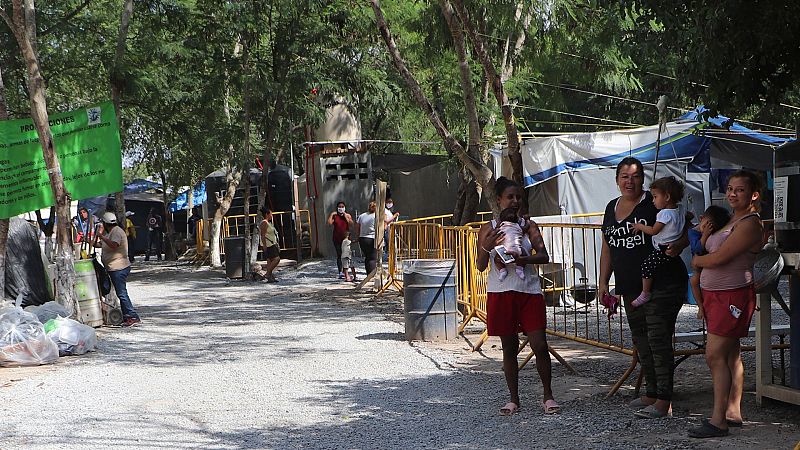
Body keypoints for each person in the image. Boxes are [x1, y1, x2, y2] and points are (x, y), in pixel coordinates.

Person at [599, 157, 688, 419]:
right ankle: (651, 392)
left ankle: (664, 401)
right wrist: (604, 281)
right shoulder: (610, 207)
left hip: (662, 282)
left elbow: (685, 226)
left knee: (659, 340)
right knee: (642, 341)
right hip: (629, 286)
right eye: (625, 176)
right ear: (617, 180)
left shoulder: (656, 201)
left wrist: (681, 244)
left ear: (643, 179)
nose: (630, 181)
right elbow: (608, 246)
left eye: (635, 176)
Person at [687, 170, 764, 438]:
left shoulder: (750, 224)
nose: (732, 193)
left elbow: (721, 257)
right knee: (731, 355)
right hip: (716, 294)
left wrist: (696, 262)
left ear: (754, 194)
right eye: (730, 188)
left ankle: (717, 420)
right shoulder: (732, 218)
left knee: (715, 355)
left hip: (732, 295)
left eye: (740, 190)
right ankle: (732, 411)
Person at [476, 177, 559, 416]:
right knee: (509, 347)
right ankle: (513, 399)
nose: (515, 201)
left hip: (529, 290)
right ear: (499, 200)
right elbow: (481, 266)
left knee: (539, 345)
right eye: (510, 197)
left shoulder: (528, 225)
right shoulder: (488, 228)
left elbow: (543, 256)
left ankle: (548, 395)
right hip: (501, 292)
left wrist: (524, 259)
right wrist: (487, 247)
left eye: (519, 197)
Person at [631, 176, 686, 307]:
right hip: (672, 247)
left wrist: (639, 226)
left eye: (655, 197)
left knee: (646, 267)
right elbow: (690, 216)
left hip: (662, 247)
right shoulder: (680, 209)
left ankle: (645, 293)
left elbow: (653, 230)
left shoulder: (664, 214)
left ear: (666, 197)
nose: (653, 201)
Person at [94, 211, 141, 327]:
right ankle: (127, 316)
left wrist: (102, 236)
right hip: (113, 267)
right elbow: (101, 245)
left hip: (119, 267)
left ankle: (132, 315)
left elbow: (114, 245)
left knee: (122, 293)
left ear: (105, 223)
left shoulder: (116, 232)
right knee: (119, 292)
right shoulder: (110, 232)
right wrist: (91, 240)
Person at [688, 205, 730, 319]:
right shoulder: (693, 232)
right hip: (698, 264)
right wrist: (705, 235)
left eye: (712, 228)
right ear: (701, 218)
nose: (708, 229)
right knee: (694, 281)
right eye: (707, 225)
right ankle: (700, 306)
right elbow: (697, 249)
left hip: (711, 264)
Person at [492, 207, 528, 281]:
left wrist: (498, 224)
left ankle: (502, 270)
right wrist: (527, 221)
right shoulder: (518, 227)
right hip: (517, 251)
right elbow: (525, 228)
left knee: (496, 259)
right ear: (517, 220)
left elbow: (495, 231)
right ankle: (520, 269)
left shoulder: (501, 227)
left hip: (503, 252)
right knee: (524, 255)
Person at [327, 201, 353, 279]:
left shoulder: (347, 215)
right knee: (339, 255)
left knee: (346, 255)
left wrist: (345, 216)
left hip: (345, 238)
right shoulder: (335, 216)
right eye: (339, 207)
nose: (341, 208)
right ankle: (340, 271)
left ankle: (346, 271)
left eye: (342, 207)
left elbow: (351, 224)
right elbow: (329, 223)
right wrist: (331, 215)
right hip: (336, 238)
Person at [259, 207, 281, 283]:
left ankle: (270, 277)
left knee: (270, 260)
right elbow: (263, 235)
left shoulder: (268, 223)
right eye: (270, 214)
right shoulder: (264, 223)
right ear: (266, 214)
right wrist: (264, 245)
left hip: (272, 243)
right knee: (276, 259)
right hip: (268, 245)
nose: (272, 216)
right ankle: (268, 274)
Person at [356, 201, 378, 275]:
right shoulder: (376, 216)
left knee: (367, 257)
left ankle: (368, 274)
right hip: (371, 238)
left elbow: (358, 227)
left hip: (362, 238)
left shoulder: (362, 216)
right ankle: (372, 275)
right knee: (373, 258)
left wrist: (358, 236)